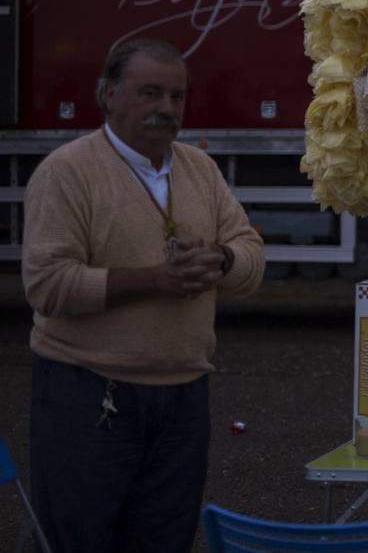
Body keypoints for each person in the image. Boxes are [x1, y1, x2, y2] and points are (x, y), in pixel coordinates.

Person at [22, 38, 264, 552]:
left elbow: (249, 255)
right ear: (107, 95)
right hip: (88, 394)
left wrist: (221, 260)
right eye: (150, 93)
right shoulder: (67, 173)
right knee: (78, 540)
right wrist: (155, 280)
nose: (166, 109)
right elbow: (46, 285)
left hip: (182, 398)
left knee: (164, 542)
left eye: (176, 96)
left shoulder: (200, 169)